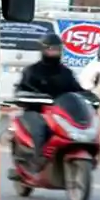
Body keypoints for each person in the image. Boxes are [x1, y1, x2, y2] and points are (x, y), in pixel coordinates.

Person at [15, 32, 86, 166]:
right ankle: (38, 158)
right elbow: (21, 90)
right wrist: (29, 97)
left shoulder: (66, 72)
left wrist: (89, 95)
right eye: (50, 49)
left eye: (57, 49)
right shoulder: (32, 71)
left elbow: (77, 89)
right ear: (43, 50)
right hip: (37, 111)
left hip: (59, 112)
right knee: (40, 128)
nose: (54, 52)